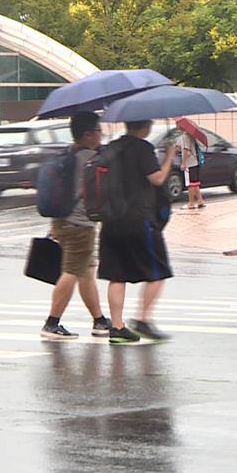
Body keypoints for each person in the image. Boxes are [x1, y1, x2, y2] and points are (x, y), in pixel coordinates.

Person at [98, 120, 176, 344]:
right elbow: (157, 178)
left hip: (111, 221)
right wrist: (169, 156)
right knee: (158, 270)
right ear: (145, 126)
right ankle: (142, 318)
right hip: (139, 220)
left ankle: (117, 326)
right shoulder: (143, 148)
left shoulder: (111, 148)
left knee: (116, 275)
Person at [41, 112, 111, 339]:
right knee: (71, 272)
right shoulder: (90, 159)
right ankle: (52, 323)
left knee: (86, 272)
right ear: (88, 134)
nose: (101, 135)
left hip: (63, 220)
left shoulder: (69, 154)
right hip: (79, 224)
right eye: (99, 131)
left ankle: (99, 320)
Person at [179, 131, 205, 210]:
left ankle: (191, 203)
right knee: (195, 183)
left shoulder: (184, 136)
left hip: (189, 163)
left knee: (190, 184)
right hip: (195, 162)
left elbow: (186, 150)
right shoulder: (191, 135)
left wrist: (183, 163)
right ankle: (200, 201)